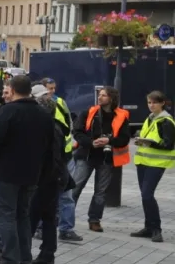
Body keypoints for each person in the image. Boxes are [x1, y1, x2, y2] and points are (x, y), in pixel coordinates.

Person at [0, 75, 54, 264]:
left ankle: (10, 260)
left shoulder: (8, 111)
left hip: (5, 171)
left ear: (13, 90)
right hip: (31, 172)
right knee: (23, 215)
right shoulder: (43, 113)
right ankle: (24, 259)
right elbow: (50, 144)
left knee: (6, 215)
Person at [71, 86, 131, 233]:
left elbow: (124, 139)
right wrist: (91, 142)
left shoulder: (121, 115)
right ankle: (65, 218)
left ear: (112, 98)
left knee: (101, 192)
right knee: (75, 187)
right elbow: (77, 132)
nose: (100, 97)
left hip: (106, 158)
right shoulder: (89, 112)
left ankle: (94, 220)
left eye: (104, 95)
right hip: (86, 156)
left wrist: (109, 141)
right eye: (100, 94)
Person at [28, 85, 74, 264]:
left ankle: (23, 253)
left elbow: (49, 157)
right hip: (55, 177)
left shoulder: (49, 129)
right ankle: (47, 255)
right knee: (47, 216)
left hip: (47, 179)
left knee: (32, 215)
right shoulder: (56, 126)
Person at [132, 91, 174, 243]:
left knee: (147, 195)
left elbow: (168, 144)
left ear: (162, 103)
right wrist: (141, 140)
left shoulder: (166, 121)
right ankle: (148, 227)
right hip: (143, 162)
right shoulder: (150, 118)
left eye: (154, 102)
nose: (151, 105)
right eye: (149, 102)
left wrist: (149, 143)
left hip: (156, 164)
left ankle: (156, 229)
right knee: (145, 195)